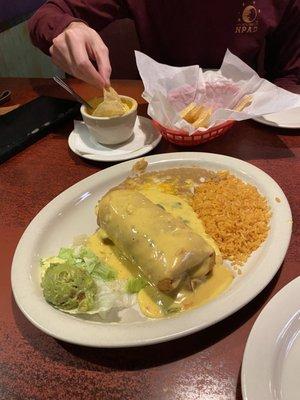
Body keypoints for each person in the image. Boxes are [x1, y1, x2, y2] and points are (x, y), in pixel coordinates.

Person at [28, 0, 299, 93]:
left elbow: (291, 76)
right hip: (162, 121)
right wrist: (68, 29)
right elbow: (49, 14)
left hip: (243, 121)